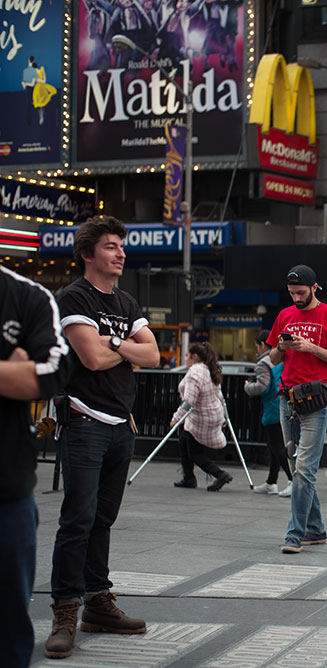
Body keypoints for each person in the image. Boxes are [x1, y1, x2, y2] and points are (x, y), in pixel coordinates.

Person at [47, 215, 160, 659]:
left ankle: (98, 600)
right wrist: (119, 346)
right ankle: (65, 610)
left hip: (119, 426)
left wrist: (113, 344)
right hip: (84, 423)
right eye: (111, 246)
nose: (121, 253)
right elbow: (90, 358)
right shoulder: (73, 297)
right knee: (77, 520)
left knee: (102, 520)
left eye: (121, 246)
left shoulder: (127, 302)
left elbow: (152, 353)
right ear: (88, 254)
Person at [0, 266, 71, 668]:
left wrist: (26, 372)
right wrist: (11, 369)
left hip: (6, 494)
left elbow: (51, 373)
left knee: (9, 629)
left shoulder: (27, 296)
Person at [268, 265, 327, 554]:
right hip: (287, 399)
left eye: (301, 293)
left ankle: (295, 534)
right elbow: (273, 356)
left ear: (315, 288)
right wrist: (281, 346)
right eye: (291, 293)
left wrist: (310, 347)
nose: (296, 298)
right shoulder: (284, 315)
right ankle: (316, 529)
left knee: (304, 468)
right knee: (297, 469)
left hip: (316, 400)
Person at [169, 341, 233, 492]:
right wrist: (224, 416)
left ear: (194, 357)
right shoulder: (209, 369)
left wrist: (176, 418)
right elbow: (220, 395)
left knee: (195, 453)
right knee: (184, 440)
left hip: (201, 416)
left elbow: (189, 401)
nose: (184, 359)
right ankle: (188, 477)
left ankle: (220, 474)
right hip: (212, 413)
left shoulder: (195, 372)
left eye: (186, 355)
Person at [245, 329, 293, 497]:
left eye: (257, 346)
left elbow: (262, 387)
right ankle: (271, 482)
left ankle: (292, 479)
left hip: (271, 408)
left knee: (276, 446)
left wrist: (247, 387)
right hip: (283, 403)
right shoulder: (282, 358)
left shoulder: (263, 363)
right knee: (275, 446)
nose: (257, 349)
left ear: (263, 345)